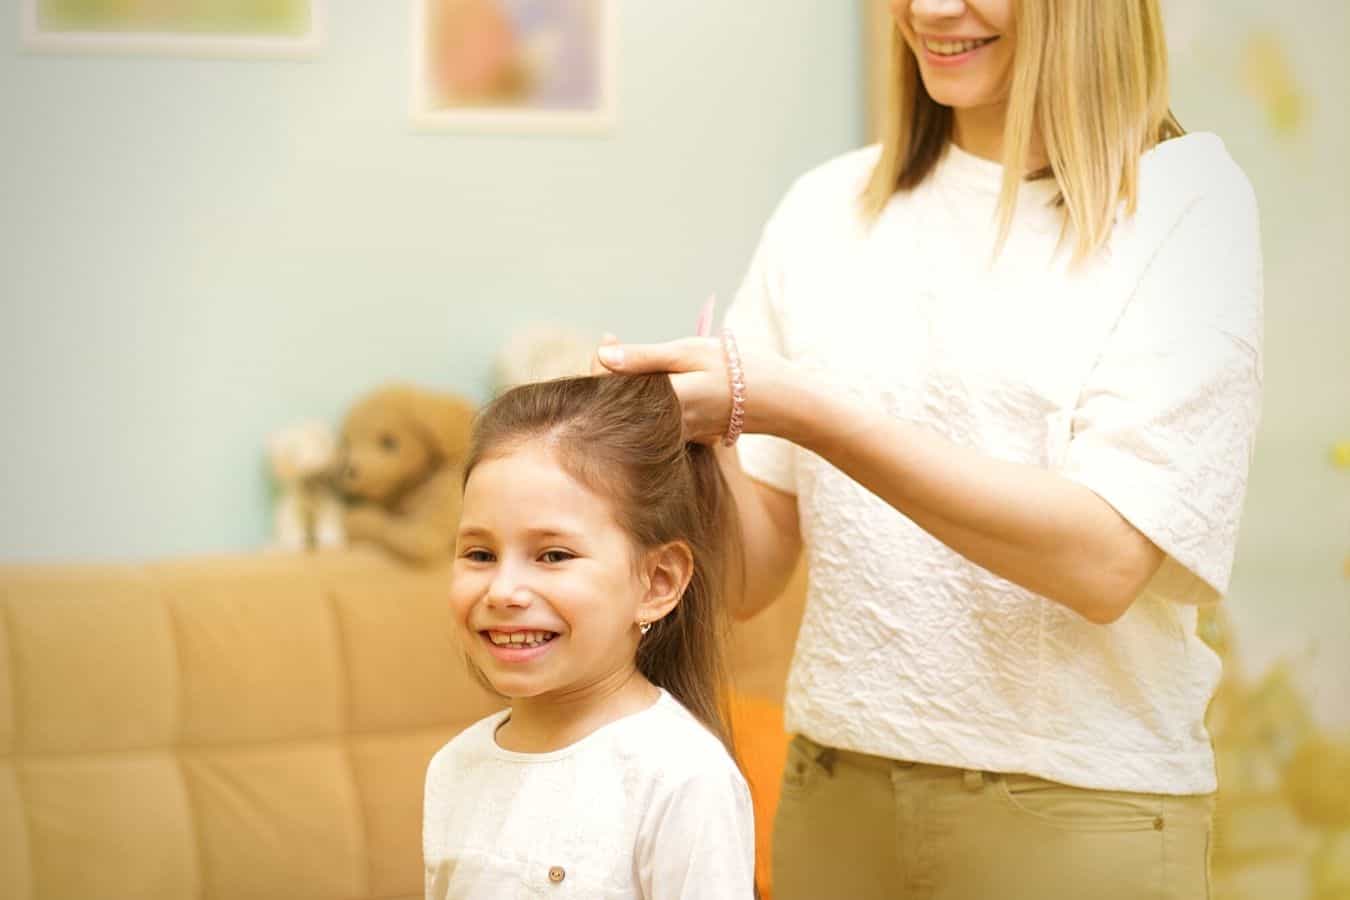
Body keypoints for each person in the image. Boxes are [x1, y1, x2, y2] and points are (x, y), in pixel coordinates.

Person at [595, 1, 1262, 897]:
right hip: (833, 794)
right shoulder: (827, 208)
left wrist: (798, 407)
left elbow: (1104, 562)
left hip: (1074, 812)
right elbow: (751, 580)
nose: (933, 10)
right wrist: (705, 435)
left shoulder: (1182, 203)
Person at [423, 374, 756, 899]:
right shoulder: (454, 767)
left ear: (658, 582)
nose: (504, 591)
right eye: (479, 555)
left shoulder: (681, 776)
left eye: (554, 555)